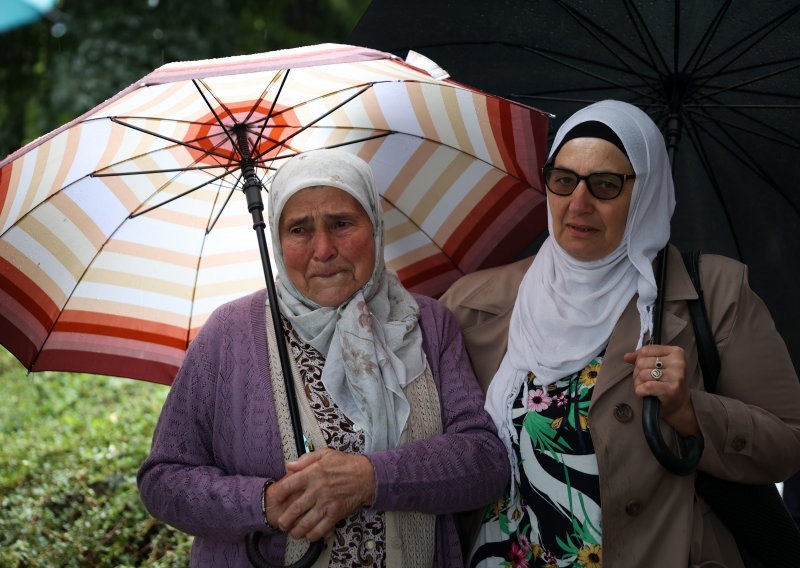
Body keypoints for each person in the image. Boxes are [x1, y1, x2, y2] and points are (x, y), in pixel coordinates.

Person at [439, 100, 800, 567]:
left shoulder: (713, 292)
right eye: (564, 180)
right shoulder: (474, 303)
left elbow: (788, 443)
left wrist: (691, 411)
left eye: (606, 185)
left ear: (645, 192)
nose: (578, 204)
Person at [138, 148, 509, 567]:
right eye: (299, 229)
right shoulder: (229, 333)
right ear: (277, 242)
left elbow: (484, 460)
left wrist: (370, 479)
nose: (323, 248)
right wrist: (264, 503)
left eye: (341, 223)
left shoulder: (428, 323)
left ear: (375, 226)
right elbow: (164, 478)